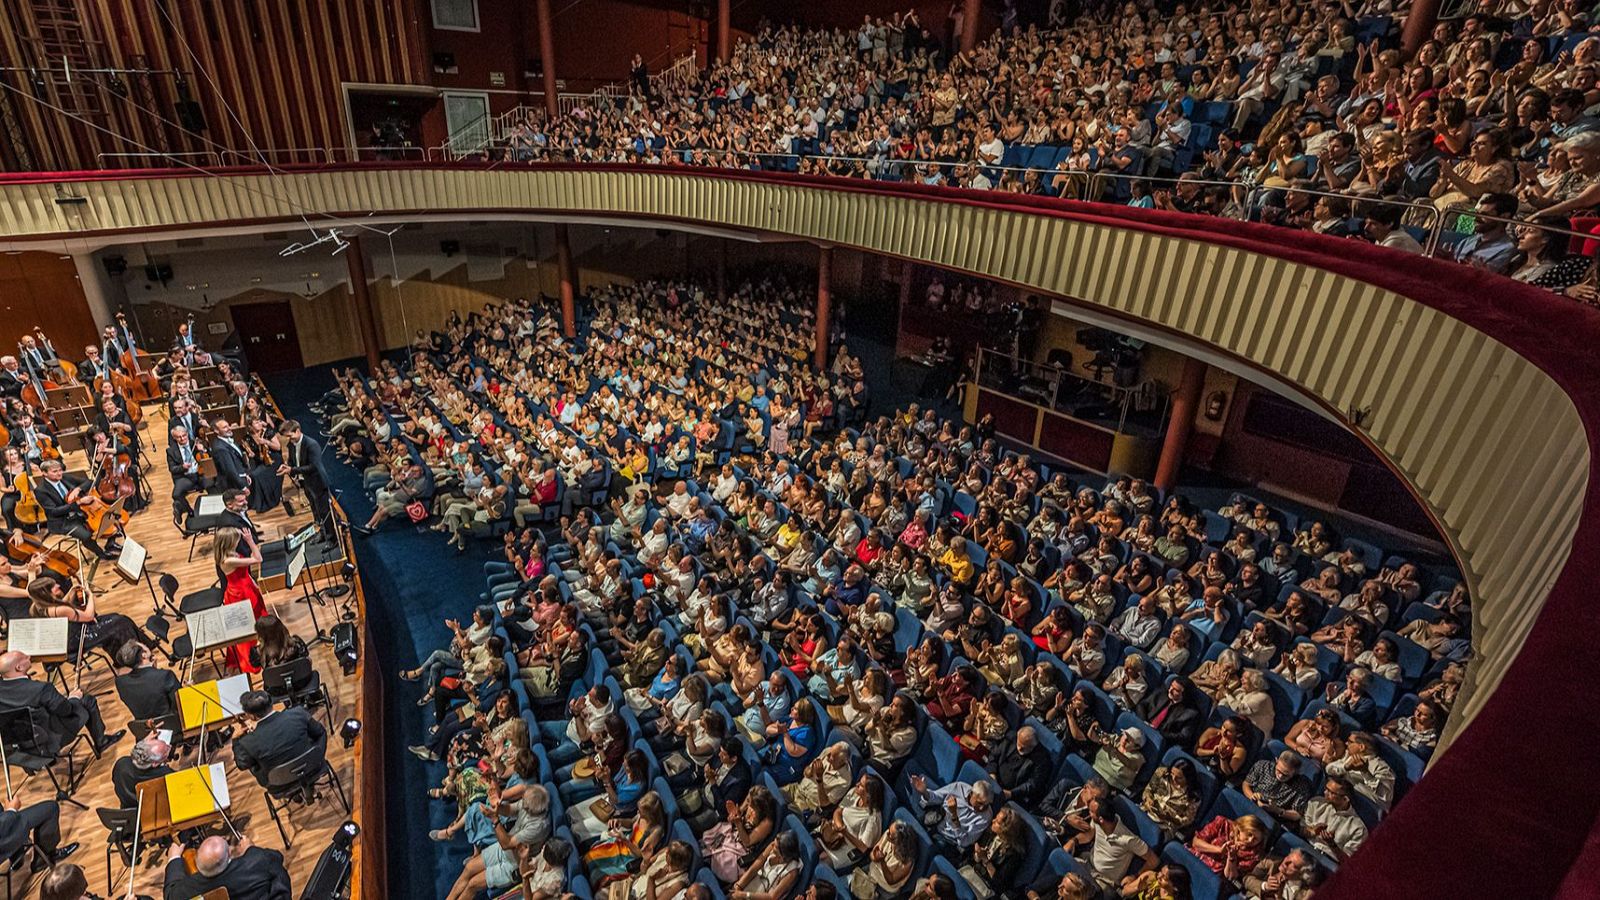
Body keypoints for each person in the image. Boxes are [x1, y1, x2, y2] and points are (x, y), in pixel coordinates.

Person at [0, 650, 123, 756]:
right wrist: (74, 698)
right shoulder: (41, 689)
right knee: (87, 700)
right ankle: (101, 742)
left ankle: (45, 761)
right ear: (19, 668)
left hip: (21, 747)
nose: (29, 657)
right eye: (24, 657)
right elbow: (66, 710)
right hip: (52, 738)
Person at [231, 689, 328, 787]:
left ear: (251, 716)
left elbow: (242, 764)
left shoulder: (248, 742)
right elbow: (320, 733)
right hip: (313, 768)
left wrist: (235, 739)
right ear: (271, 703)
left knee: (255, 763)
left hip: (280, 785)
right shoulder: (298, 713)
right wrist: (318, 756)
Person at [32, 459, 119, 559]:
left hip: (80, 512)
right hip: (63, 521)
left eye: (60, 470)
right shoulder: (41, 490)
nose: (59, 473)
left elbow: (89, 482)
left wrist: (78, 489)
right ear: (44, 473)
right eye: (55, 471)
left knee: (109, 516)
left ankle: (111, 543)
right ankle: (101, 554)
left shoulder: (64, 477)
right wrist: (78, 502)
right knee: (85, 535)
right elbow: (54, 511)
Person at [161, 834, 293, 900]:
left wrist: (174, 858)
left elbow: (170, 894)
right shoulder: (255, 862)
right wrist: (251, 849)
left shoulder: (184, 891)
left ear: (196, 861)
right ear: (229, 853)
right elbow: (277, 857)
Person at [214, 526, 268, 674]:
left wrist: (252, 581)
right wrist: (250, 541)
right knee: (250, 626)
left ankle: (262, 648)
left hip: (246, 587)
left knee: (258, 620)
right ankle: (252, 658)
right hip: (240, 594)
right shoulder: (228, 560)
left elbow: (244, 572)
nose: (239, 541)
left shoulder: (229, 553)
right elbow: (258, 558)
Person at [278, 419, 335, 543]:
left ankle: (332, 538)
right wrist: (288, 467)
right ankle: (322, 532)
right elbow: (293, 460)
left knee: (324, 512)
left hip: (318, 482)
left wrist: (292, 470)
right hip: (306, 482)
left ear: (297, 431)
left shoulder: (311, 444)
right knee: (315, 510)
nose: (289, 439)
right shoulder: (291, 444)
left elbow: (313, 467)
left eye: (290, 436)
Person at [114, 641, 181, 725]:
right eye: (145, 645)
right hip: (172, 726)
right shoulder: (165, 676)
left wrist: (153, 671)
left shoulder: (120, 682)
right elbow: (180, 704)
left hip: (145, 730)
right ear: (144, 655)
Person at [113, 734, 176, 808]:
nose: (170, 747)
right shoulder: (165, 774)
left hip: (129, 809)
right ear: (155, 763)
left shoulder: (121, 764)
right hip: (154, 809)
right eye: (166, 751)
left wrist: (143, 744)